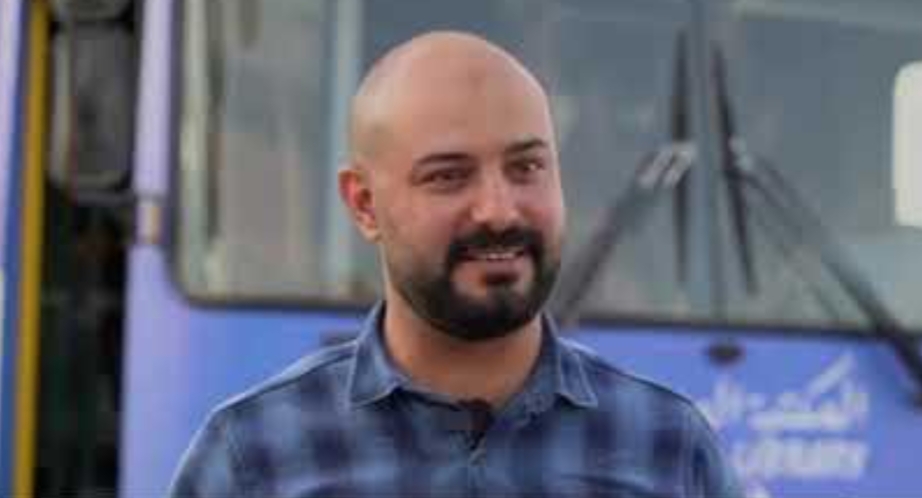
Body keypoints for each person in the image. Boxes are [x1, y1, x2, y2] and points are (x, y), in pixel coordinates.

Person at [168, 31, 743, 498]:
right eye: (448, 176)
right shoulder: (254, 456)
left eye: (526, 168)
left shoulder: (669, 447)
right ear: (364, 204)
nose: (499, 210)